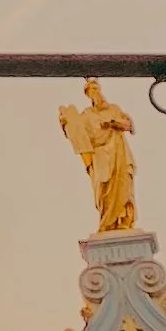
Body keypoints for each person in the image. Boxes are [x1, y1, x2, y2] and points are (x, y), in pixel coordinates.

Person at [59, 78, 138, 233]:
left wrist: (112, 123)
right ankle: (107, 222)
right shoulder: (87, 115)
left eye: (98, 90)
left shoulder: (113, 109)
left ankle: (123, 220)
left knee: (123, 188)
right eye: (92, 91)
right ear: (89, 95)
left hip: (118, 153)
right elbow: (77, 135)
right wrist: (66, 120)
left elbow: (129, 125)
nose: (98, 94)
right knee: (103, 190)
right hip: (100, 157)